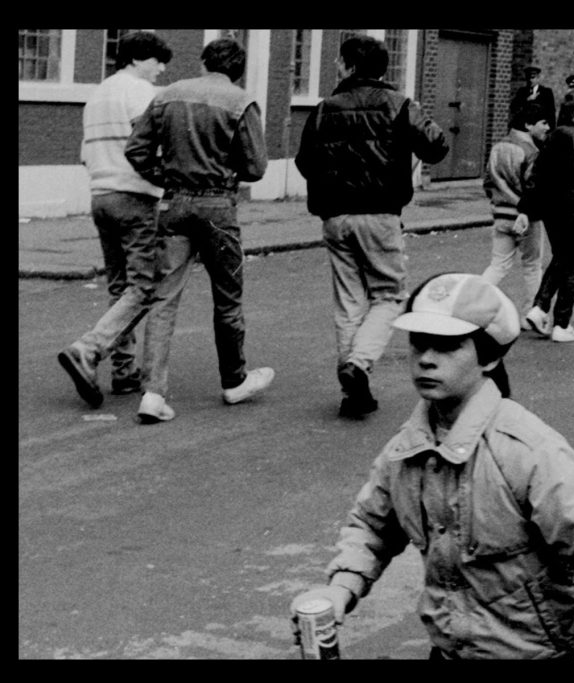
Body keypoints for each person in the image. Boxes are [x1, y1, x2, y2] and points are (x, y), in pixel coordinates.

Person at [289, 272, 574, 659]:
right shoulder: (406, 449)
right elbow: (372, 526)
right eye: (418, 344)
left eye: (447, 347)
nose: (426, 359)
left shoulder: (526, 451)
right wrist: (341, 586)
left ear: (489, 357)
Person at [295, 35, 449, 417]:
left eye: (339, 62)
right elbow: (436, 145)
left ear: (349, 66)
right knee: (389, 296)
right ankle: (359, 365)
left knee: (349, 302)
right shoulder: (399, 104)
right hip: (380, 215)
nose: (336, 67)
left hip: (335, 217)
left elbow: (303, 162)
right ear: (382, 69)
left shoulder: (322, 109)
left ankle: (353, 393)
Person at [124, 38, 274, 421]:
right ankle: (234, 381)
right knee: (227, 298)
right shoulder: (240, 102)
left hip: (173, 204)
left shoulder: (168, 95)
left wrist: (165, 176)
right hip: (218, 207)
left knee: (163, 299)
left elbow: (136, 151)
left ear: (204, 62)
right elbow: (256, 167)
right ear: (237, 69)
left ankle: (153, 393)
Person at [57, 31, 173, 412]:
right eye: (157, 60)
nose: (161, 68)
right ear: (139, 59)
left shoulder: (97, 95)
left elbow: (84, 155)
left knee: (120, 285)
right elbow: (154, 142)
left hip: (101, 196)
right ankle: (87, 349)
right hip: (135, 197)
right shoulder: (139, 92)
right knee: (146, 287)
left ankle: (124, 372)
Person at [519, 92, 574, 343]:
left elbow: (536, 175)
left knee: (561, 258)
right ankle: (561, 324)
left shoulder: (552, 137)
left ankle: (540, 307)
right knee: (573, 264)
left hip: (551, 211)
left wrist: (528, 208)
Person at [481, 102, 549, 332]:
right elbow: (535, 188)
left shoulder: (498, 147)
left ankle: (471, 301)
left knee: (497, 265)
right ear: (529, 125)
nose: (547, 128)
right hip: (526, 216)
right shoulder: (532, 153)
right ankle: (530, 313)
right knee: (532, 265)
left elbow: (487, 182)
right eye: (543, 123)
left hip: (500, 213)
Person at [509, 65, 556, 130]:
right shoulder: (522, 91)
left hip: (540, 127)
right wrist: (527, 99)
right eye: (528, 78)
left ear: (538, 78)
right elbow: (513, 107)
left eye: (533, 77)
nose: (530, 80)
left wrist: (552, 128)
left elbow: (551, 112)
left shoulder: (546, 92)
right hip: (524, 126)